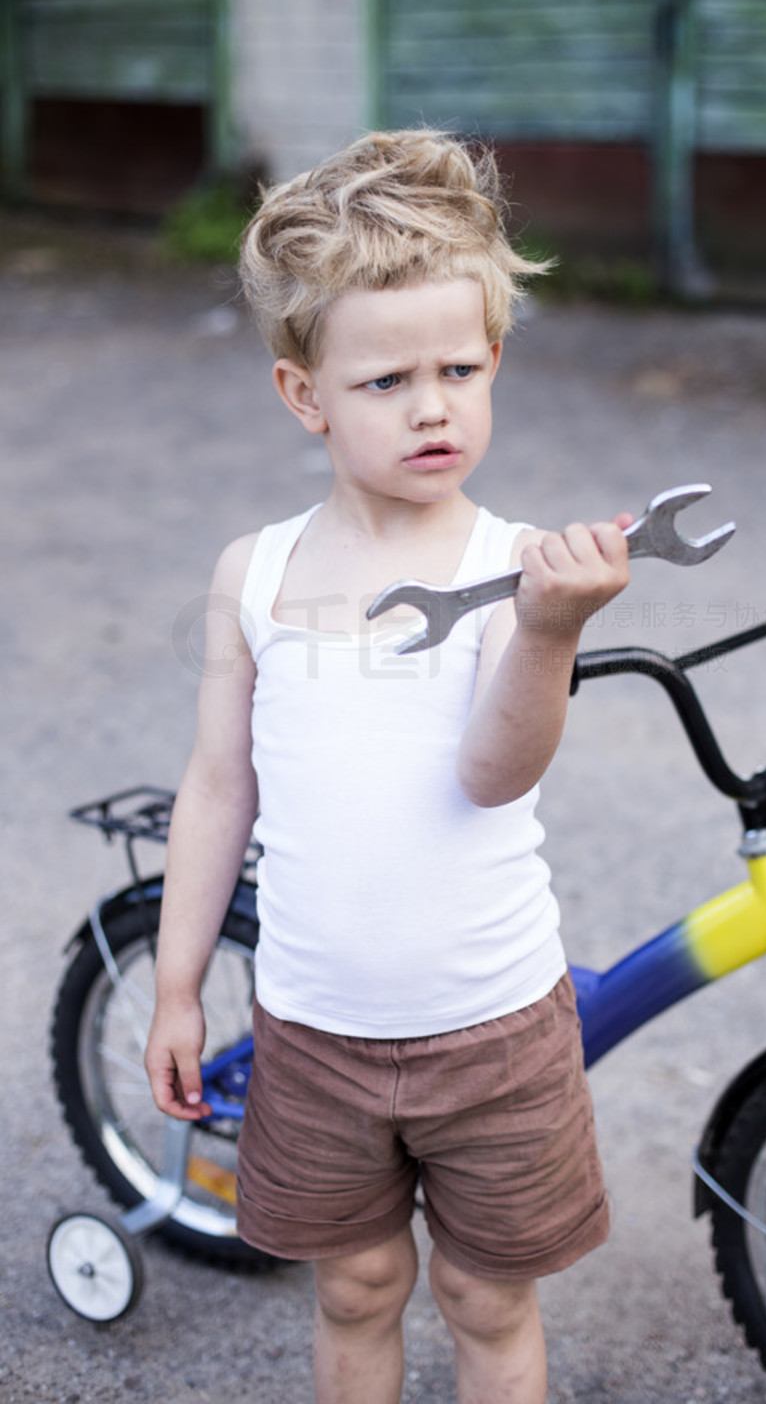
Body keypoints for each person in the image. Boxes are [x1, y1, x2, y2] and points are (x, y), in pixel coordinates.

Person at [144, 128, 632, 1404]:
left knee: (485, 1296)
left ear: (495, 364)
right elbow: (217, 787)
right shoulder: (253, 575)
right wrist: (180, 984)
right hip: (313, 1032)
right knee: (355, 1288)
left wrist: (546, 630)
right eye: (386, 381)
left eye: (460, 369)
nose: (432, 406)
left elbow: (495, 774)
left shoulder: (519, 565)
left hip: (496, 1031)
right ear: (304, 394)